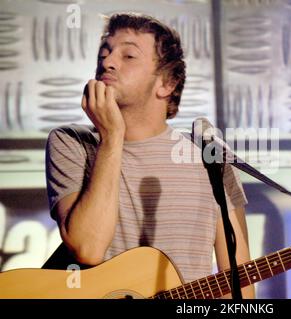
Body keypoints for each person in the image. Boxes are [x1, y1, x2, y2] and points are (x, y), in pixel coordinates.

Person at [45, 12, 254, 299]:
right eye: (104, 53)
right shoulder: (71, 142)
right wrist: (112, 137)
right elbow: (88, 248)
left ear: (167, 83)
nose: (107, 62)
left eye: (128, 56)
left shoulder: (210, 158)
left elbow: (240, 285)